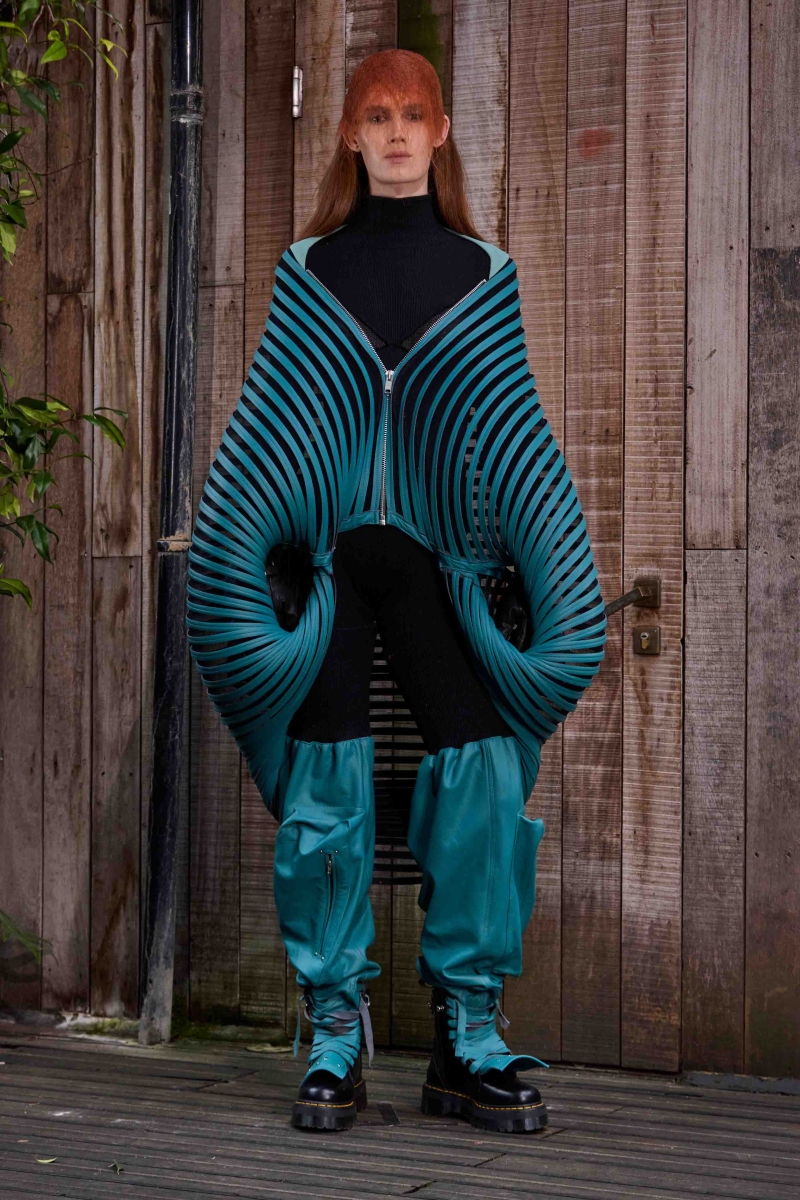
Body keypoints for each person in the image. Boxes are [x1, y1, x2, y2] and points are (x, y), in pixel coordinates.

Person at [186, 48, 607, 1134]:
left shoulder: (484, 273)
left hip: (435, 569)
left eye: (413, 114)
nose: (396, 133)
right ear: (349, 134)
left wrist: (529, 561)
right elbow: (271, 428)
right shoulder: (306, 269)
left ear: (442, 129)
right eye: (376, 116)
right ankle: (334, 1032)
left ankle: (467, 1035)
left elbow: (507, 435)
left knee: (479, 771)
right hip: (330, 566)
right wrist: (259, 546)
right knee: (324, 781)